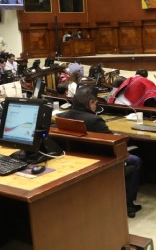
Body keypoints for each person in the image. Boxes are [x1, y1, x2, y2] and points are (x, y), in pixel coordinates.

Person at [58, 86, 142, 218]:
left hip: (79, 159)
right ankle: (128, 203)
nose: (96, 106)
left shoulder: (62, 116)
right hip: (102, 161)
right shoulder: (94, 120)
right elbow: (115, 143)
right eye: (96, 103)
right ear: (90, 103)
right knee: (135, 160)